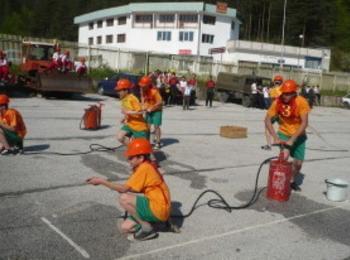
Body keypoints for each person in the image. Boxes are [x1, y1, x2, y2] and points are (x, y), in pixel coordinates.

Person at [86, 138, 171, 241]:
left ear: (141, 158)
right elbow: (135, 189)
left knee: (124, 198)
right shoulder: (148, 165)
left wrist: (101, 181)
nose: (128, 160)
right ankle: (153, 221)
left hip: (158, 208)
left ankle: (146, 228)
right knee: (125, 228)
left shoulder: (144, 168)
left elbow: (124, 189)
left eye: (131, 158)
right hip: (160, 206)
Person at [265, 79, 311, 191]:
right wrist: (275, 137)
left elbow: (304, 123)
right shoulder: (277, 102)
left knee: (298, 164)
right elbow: (267, 120)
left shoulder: (301, 102)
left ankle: (291, 180)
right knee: (284, 157)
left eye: (288, 93)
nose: (285, 96)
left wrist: (293, 139)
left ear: (294, 93)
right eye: (284, 93)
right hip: (284, 133)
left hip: (299, 136)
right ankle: (280, 182)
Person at [115, 79, 149, 145]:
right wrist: (124, 118)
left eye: (120, 90)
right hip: (130, 124)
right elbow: (126, 111)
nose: (118, 92)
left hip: (139, 127)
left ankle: (137, 147)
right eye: (117, 91)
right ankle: (133, 147)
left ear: (126, 91)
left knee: (144, 147)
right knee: (120, 137)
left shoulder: (132, 99)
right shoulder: (123, 99)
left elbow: (141, 112)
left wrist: (128, 112)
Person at [139, 76, 163, 149]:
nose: (142, 87)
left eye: (143, 86)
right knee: (147, 127)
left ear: (148, 85)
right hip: (148, 110)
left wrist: (152, 107)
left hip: (157, 110)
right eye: (141, 86)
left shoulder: (154, 91)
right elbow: (142, 98)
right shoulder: (142, 90)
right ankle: (147, 142)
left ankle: (158, 142)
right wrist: (143, 106)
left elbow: (160, 102)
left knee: (156, 126)